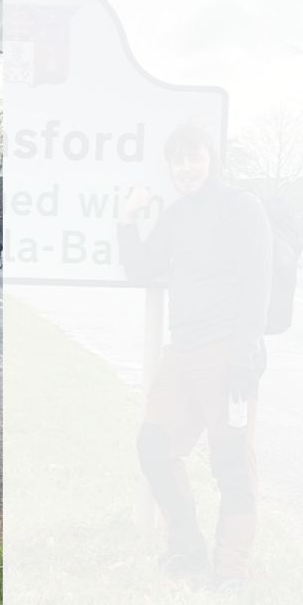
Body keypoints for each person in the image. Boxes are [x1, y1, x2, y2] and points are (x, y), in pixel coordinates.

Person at [119, 122, 271, 592]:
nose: (187, 167)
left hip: (229, 353)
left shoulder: (242, 207)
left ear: (211, 157)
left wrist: (245, 356)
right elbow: (143, 267)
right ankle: (187, 549)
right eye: (178, 160)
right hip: (181, 354)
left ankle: (230, 570)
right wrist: (127, 219)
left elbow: (257, 283)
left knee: (230, 463)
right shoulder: (178, 214)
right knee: (154, 446)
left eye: (195, 157)